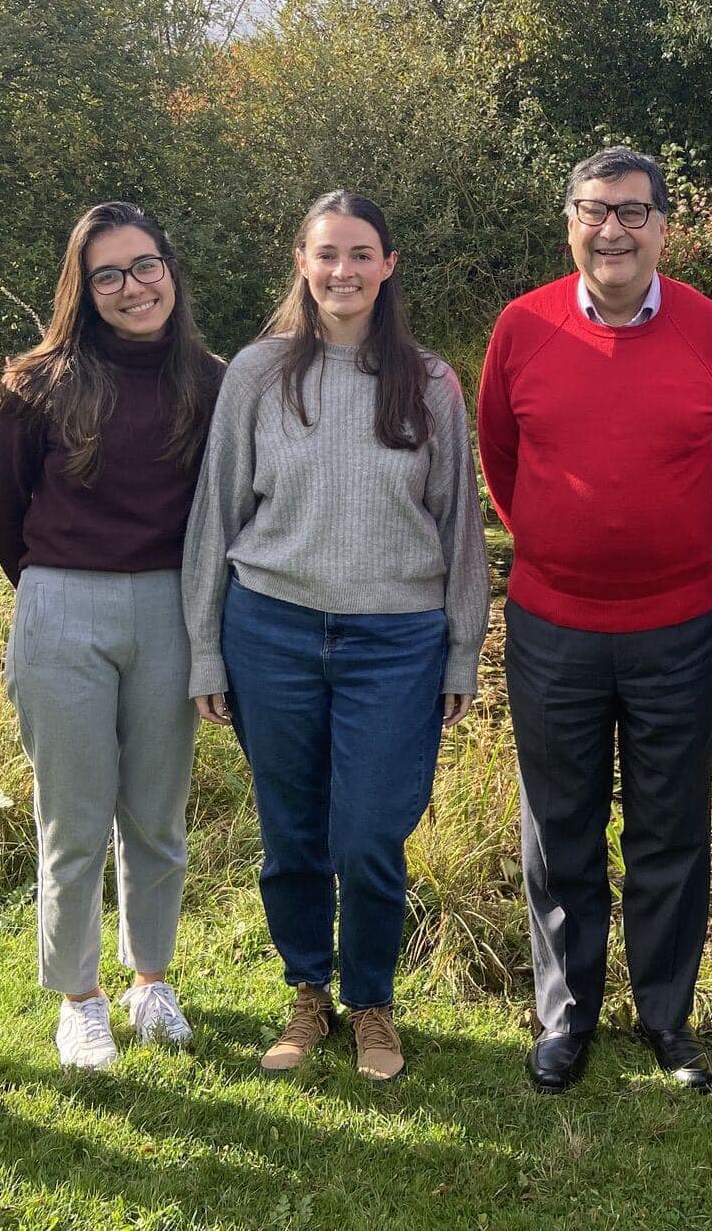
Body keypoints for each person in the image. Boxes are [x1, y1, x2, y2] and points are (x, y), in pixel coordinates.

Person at [182, 191, 488, 1085]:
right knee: (293, 833)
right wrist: (206, 646)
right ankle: (307, 992)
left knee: (367, 835)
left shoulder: (429, 383)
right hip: (270, 630)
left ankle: (373, 1003)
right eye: (327, 254)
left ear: (388, 265)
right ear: (302, 262)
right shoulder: (257, 373)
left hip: (395, 641)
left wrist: (463, 647)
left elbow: (461, 524)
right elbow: (216, 515)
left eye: (361, 254)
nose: (343, 272)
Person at [478, 146, 712, 1094]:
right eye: (596, 210)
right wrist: (566, 548)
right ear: (570, 223)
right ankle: (566, 1018)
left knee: (670, 824)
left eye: (634, 212)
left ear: (665, 228)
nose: (614, 230)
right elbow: (502, 463)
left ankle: (667, 1018)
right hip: (553, 623)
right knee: (559, 826)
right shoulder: (521, 329)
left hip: (678, 623)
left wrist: (657, 549)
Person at [0, 202, 224, 1069]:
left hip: (171, 610)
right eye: (109, 274)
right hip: (61, 610)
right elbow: (0, 514)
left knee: (156, 815)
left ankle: (151, 980)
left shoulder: (213, 380)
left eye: (145, 266)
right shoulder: (35, 382)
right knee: (73, 821)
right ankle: (78, 999)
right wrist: (58, 591)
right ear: (84, 290)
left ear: (171, 270)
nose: (133, 287)